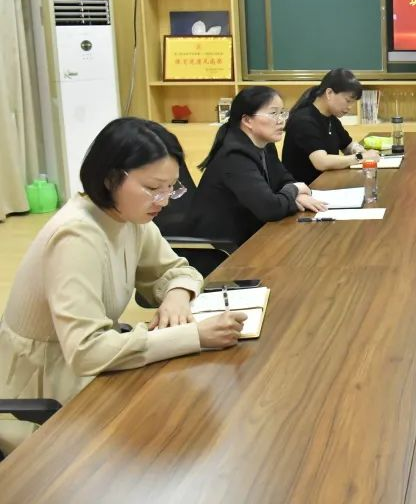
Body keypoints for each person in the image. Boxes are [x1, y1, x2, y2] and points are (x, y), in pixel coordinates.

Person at [0, 118, 247, 454]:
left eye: (171, 188)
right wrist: (194, 336)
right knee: (169, 428)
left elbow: (176, 269)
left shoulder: (129, 217)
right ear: (110, 178)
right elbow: (86, 351)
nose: (164, 200)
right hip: (47, 390)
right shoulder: (76, 236)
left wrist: (177, 295)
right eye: (153, 188)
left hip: (94, 366)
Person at [191, 86, 326, 246]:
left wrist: (296, 194)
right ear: (247, 120)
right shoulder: (234, 155)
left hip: (253, 233)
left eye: (282, 113)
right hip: (223, 246)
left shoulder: (264, 144)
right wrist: (295, 190)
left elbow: (284, 178)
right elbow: (270, 209)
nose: (281, 120)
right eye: (273, 113)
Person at [282, 68, 378, 186]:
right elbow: (321, 162)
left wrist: (358, 150)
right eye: (348, 101)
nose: (350, 107)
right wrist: (361, 157)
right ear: (329, 93)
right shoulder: (304, 120)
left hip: (327, 184)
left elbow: (348, 145)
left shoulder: (330, 117)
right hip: (305, 190)